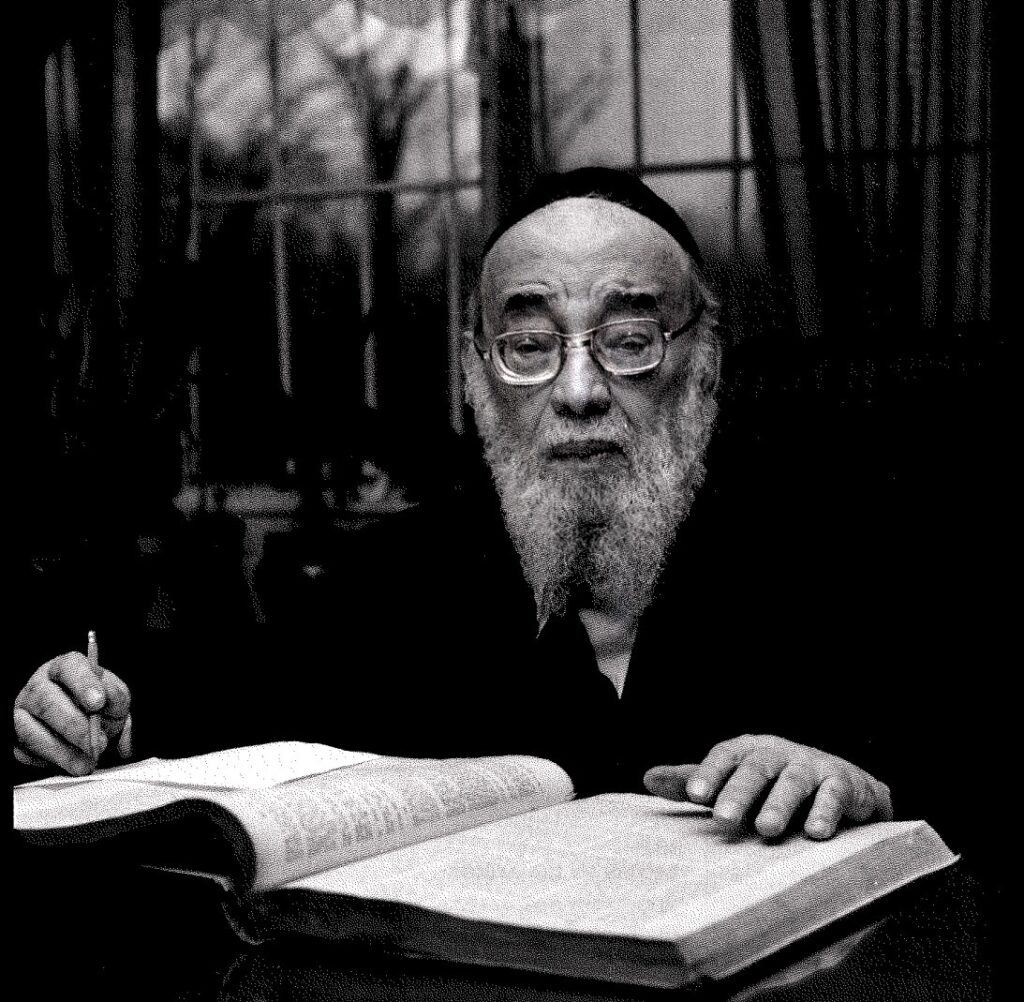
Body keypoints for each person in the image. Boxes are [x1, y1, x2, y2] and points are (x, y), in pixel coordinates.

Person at [13, 167, 893, 842]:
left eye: (629, 340)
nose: (578, 391)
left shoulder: (834, 568)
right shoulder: (393, 585)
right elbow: (226, 700)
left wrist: (857, 786)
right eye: (529, 345)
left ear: (703, 365)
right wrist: (91, 717)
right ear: (479, 379)